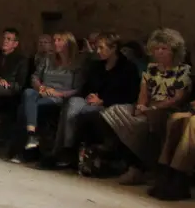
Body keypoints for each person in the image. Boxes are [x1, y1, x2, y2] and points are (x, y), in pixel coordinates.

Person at [100, 28, 191, 185]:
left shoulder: (183, 70)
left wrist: (154, 108)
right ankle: (131, 162)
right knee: (116, 111)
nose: (160, 52)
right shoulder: (151, 68)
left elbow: (177, 98)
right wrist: (141, 105)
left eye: (164, 49)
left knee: (146, 122)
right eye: (156, 49)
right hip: (148, 106)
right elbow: (144, 92)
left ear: (174, 51)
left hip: (167, 109)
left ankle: (140, 166)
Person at [43, 32, 140, 169]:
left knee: (82, 112)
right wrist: (89, 95)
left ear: (113, 48)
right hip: (91, 100)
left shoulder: (128, 68)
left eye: (101, 48)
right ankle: (65, 149)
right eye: (96, 48)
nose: (97, 51)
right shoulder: (97, 66)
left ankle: (67, 151)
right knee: (72, 104)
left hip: (111, 104)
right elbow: (86, 86)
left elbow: (130, 95)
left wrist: (103, 100)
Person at [16, 32, 83, 153]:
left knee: (23, 108)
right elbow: (35, 77)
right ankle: (31, 135)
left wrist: (58, 94)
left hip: (59, 99)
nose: (55, 43)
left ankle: (23, 150)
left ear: (68, 44)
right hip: (42, 93)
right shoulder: (48, 59)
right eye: (54, 40)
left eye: (59, 40)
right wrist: (41, 87)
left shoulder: (76, 64)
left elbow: (78, 89)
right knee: (28, 93)